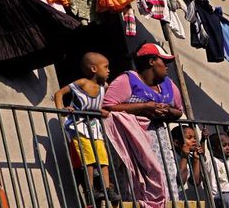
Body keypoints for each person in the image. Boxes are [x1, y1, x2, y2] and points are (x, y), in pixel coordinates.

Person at [103, 43, 184, 202]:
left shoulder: (169, 85)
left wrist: (167, 111)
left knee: (165, 178)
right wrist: (144, 107)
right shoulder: (127, 80)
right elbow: (108, 106)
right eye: (164, 62)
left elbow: (179, 111)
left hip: (160, 142)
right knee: (139, 184)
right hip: (134, 141)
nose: (167, 67)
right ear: (152, 61)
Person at [54, 52, 120, 202]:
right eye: (106, 67)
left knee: (102, 157)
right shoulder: (82, 83)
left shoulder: (105, 86)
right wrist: (61, 110)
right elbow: (59, 93)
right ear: (94, 69)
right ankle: (90, 190)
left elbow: (105, 105)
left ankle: (106, 188)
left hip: (95, 126)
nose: (109, 70)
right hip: (78, 126)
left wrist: (105, 111)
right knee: (88, 157)